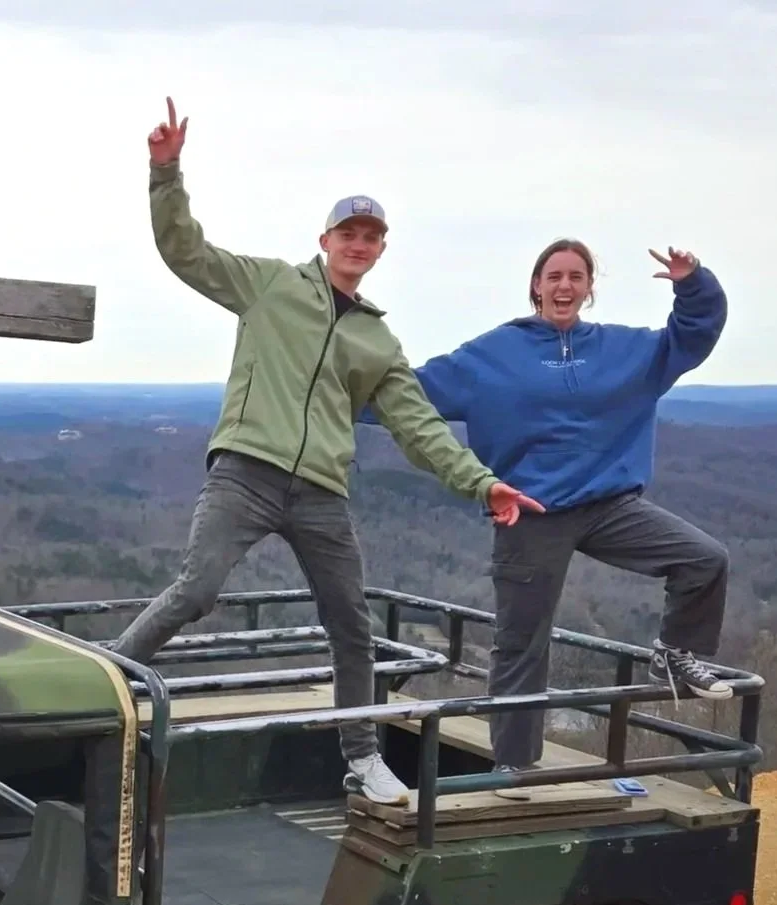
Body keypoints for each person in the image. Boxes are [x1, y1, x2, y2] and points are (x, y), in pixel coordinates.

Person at [119, 99, 542, 806]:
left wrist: (482, 485)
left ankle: (362, 757)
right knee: (196, 590)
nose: (358, 243)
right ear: (325, 239)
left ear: (380, 249)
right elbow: (183, 250)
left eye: (370, 235)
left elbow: (421, 428)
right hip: (246, 471)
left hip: (319, 490)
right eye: (348, 231)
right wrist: (166, 172)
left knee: (352, 626)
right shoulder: (271, 286)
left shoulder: (378, 342)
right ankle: (106, 681)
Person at [410, 238, 731, 797]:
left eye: (576, 276)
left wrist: (693, 282)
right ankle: (513, 764)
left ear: (589, 287)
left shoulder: (623, 350)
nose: (564, 286)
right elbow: (406, 396)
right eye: (553, 276)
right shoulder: (492, 354)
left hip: (611, 506)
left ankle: (677, 655)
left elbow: (692, 336)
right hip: (531, 512)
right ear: (536, 285)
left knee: (704, 559)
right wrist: (329, 386)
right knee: (520, 641)